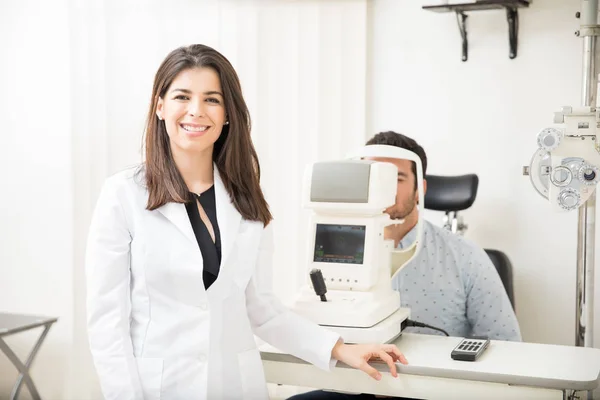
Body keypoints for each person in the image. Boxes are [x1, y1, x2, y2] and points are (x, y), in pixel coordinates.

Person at [84, 45, 408, 400]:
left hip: (235, 386)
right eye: (182, 96)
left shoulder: (246, 198)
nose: (196, 111)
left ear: (226, 115)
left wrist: (339, 348)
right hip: (159, 388)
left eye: (211, 99)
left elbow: (262, 310)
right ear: (160, 106)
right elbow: (107, 326)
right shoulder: (123, 195)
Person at [288, 131, 521, 400]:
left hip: (431, 392)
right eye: (374, 177)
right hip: (355, 385)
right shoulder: (334, 246)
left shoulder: (466, 257)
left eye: (396, 178)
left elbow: (507, 345)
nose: (384, 188)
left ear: (420, 188)